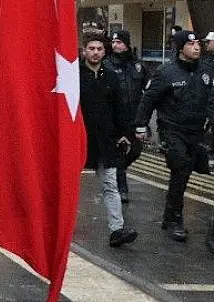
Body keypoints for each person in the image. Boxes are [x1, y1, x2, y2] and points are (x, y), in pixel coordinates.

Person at [136, 29, 214, 243]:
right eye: (191, 44)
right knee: (180, 169)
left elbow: (209, 99)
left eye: (198, 43)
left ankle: (168, 215)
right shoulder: (166, 72)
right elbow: (148, 100)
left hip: (195, 132)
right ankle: (175, 219)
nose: (197, 47)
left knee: (186, 172)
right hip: (172, 130)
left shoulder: (205, 71)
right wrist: (141, 126)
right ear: (181, 48)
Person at [79, 34, 139, 247]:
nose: (95, 52)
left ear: (104, 52)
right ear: (84, 50)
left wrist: (126, 132)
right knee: (67, 184)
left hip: (105, 141)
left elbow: (120, 108)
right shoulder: (74, 75)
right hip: (79, 139)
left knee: (110, 185)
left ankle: (117, 229)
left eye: (99, 49)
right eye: (91, 48)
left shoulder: (111, 77)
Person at [104, 29, 146, 203]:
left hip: (134, 117)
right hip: (115, 118)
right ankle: (122, 188)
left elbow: (148, 90)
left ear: (127, 44)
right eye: (113, 42)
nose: (115, 45)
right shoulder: (107, 65)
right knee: (120, 152)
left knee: (136, 151)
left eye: (119, 42)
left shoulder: (137, 66)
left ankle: (116, 170)